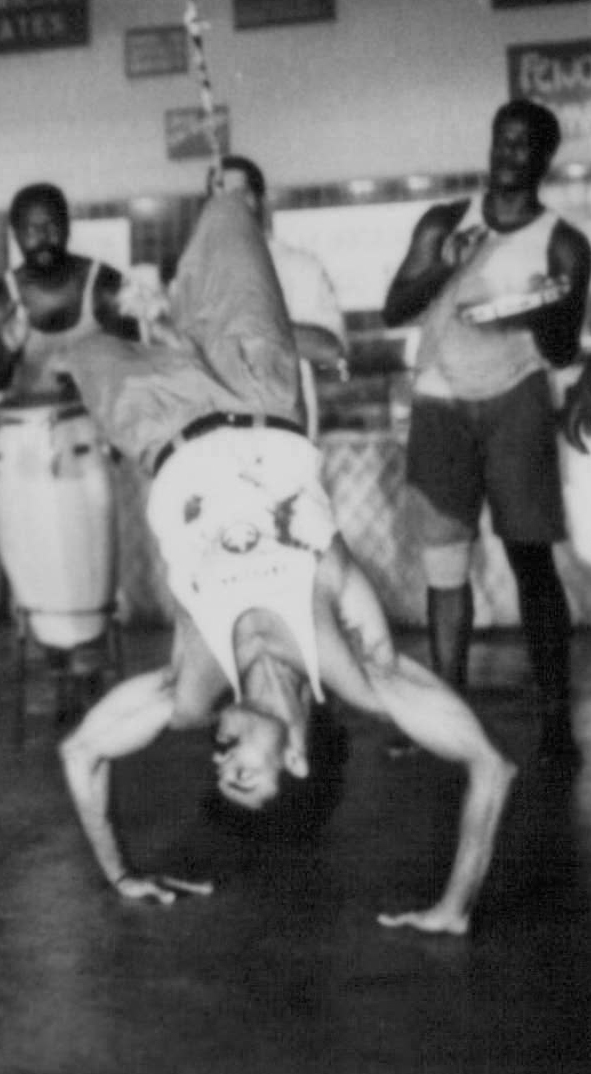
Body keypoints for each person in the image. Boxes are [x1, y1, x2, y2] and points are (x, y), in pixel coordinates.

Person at [55, 180, 516, 936]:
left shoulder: (187, 689)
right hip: (256, 383)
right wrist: (453, 904)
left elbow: (81, 753)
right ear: (295, 762)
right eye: (245, 779)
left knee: (71, 341)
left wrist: (120, 872)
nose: (222, 765)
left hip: (157, 417)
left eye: (220, 778)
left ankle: (157, 317)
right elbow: (490, 766)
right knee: (226, 202)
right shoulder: (360, 672)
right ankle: (179, 296)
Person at [384, 100, 588, 763]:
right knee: (444, 569)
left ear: (542, 158)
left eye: (522, 145)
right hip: (439, 400)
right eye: (500, 140)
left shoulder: (564, 243)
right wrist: (444, 262)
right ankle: (446, 709)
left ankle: (555, 719)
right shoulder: (444, 220)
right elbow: (395, 308)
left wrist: (549, 309)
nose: (507, 154)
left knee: (530, 558)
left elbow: (559, 352)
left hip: (514, 400)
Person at [211, 155, 346, 440]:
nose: (229, 204)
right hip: (216, 436)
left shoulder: (299, 267)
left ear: (261, 201)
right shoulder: (198, 275)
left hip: (284, 434)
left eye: (240, 194)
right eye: (219, 194)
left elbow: (330, 350)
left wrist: (252, 324)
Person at [0, 183, 137, 404]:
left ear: (68, 227)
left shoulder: (103, 284)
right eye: (31, 230)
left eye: (52, 227)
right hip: (30, 426)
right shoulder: (0, 300)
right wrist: (8, 351)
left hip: (100, 421)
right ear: (16, 235)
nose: (43, 239)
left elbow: (136, 368)